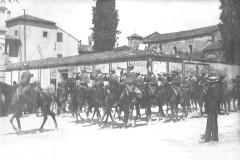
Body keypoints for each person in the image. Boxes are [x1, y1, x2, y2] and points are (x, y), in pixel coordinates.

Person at [199, 75, 221, 143]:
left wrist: (205, 96)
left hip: (212, 108)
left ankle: (207, 138)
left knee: (210, 123)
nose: (209, 83)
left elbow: (210, 97)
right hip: (214, 108)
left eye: (210, 82)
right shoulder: (216, 87)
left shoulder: (214, 88)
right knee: (214, 122)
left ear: (212, 82)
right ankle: (215, 137)